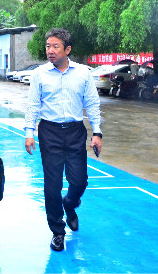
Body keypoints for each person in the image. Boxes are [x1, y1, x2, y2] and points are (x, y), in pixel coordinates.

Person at [24, 27, 103, 252]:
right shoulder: (39, 74)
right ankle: (58, 231)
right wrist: (29, 133)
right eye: (48, 46)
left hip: (76, 131)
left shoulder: (83, 73)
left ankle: (70, 204)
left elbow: (92, 103)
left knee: (79, 181)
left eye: (55, 46)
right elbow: (32, 105)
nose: (50, 50)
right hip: (49, 132)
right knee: (52, 185)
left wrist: (97, 132)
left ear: (67, 50)